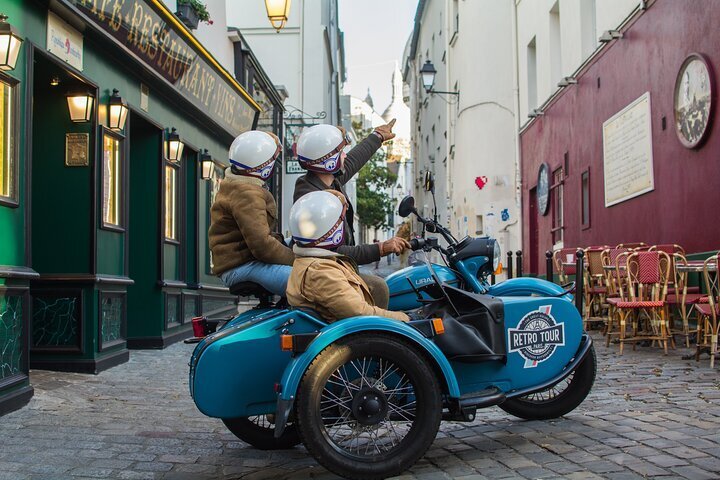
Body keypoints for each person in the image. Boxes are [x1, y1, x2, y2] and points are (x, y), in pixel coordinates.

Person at [293, 120, 409, 308]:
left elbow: (354, 159)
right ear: (328, 160)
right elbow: (331, 251)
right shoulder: (314, 197)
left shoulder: (327, 182)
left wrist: (377, 136)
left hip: (332, 268)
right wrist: (381, 248)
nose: (344, 156)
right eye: (339, 153)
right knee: (377, 287)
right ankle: (374, 336)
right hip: (324, 271)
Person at [286, 190, 409, 323]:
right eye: (340, 222)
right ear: (332, 230)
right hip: (351, 337)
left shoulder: (314, 260)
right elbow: (361, 313)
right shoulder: (320, 272)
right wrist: (407, 318)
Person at [208, 130, 294, 296]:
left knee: (299, 245)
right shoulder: (247, 194)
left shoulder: (234, 182)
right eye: (271, 161)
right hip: (242, 266)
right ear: (264, 166)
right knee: (310, 283)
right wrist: (298, 261)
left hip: (241, 262)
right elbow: (263, 246)